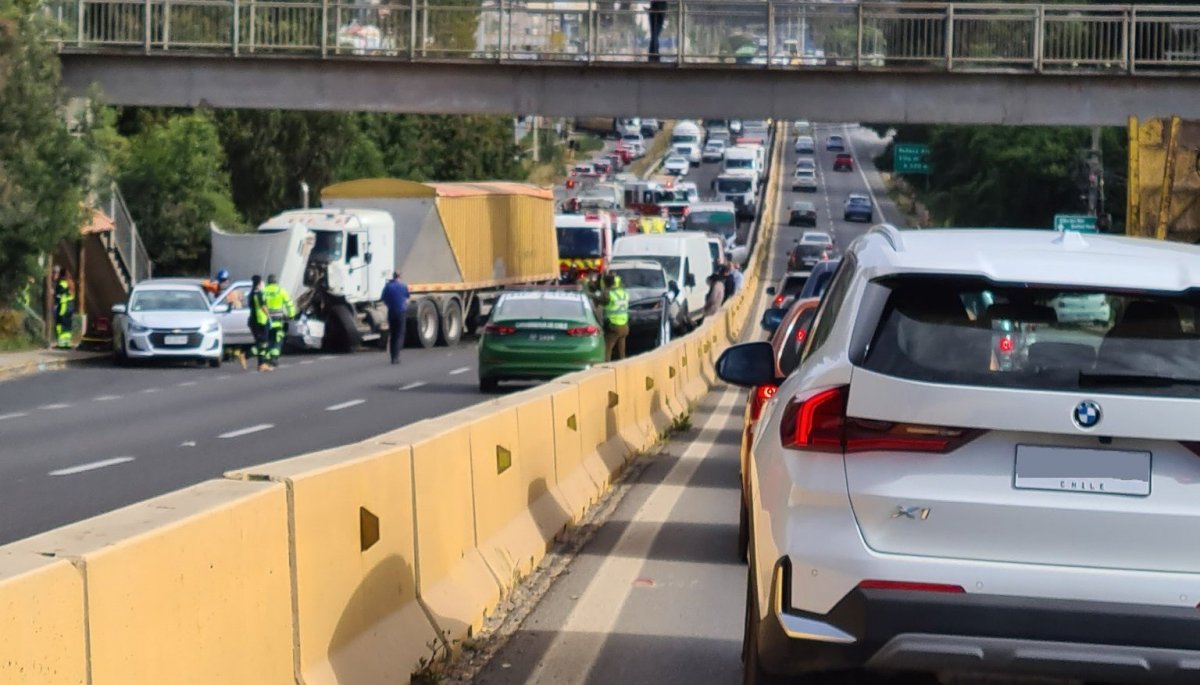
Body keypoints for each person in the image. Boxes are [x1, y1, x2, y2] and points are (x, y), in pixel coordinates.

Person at [262, 274, 296, 370]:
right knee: (277, 339)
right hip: (278, 320)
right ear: (275, 282)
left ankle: (267, 358)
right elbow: (289, 304)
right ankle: (274, 358)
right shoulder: (280, 291)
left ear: (268, 282)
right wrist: (291, 315)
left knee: (268, 339)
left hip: (266, 321)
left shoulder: (263, 292)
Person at [600, 273, 629, 361]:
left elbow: (601, 302)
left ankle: (605, 369)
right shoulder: (623, 293)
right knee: (622, 353)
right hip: (624, 326)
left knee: (607, 351)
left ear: (604, 283)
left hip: (614, 325)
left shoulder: (609, 294)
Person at [381, 271, 410, 364]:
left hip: (391, 312)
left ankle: (393, 356)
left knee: (393, 335)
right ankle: (396, 356)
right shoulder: (403, 286)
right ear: (399, 277)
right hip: (401, 312)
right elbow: (407, 297)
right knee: (399, 334)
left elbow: (383, 298)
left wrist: (389, 304)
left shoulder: (388, 286)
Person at [248, 275, 272, 372]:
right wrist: (269, 316)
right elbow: (262, 306)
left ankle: (262, 364)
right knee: (263, 343)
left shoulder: (251, 293)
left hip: (254, 320)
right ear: (259, 283)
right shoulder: (258, 293)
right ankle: (248, 356)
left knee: (261, 343)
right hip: (260, 321)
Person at [52, 266, 74, 349]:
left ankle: (61, 343)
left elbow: (58, 296)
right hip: (70, 306)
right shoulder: (70, 283)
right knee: (68, 325)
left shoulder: (61, 284)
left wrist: (55, 305)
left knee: (60, 324)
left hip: (63, 306)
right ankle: (67, 343)